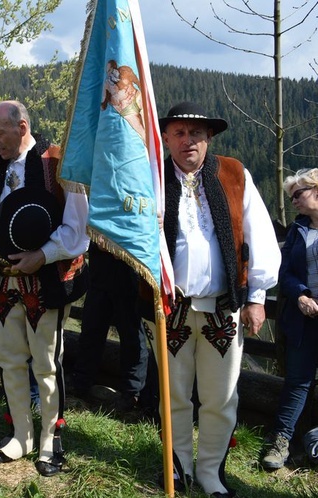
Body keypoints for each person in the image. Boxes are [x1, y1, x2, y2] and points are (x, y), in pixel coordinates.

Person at [143, 101, 280, 496]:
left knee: (220, 398)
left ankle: (210, 473)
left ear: (209, 139)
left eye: (197, 134)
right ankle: (179, 467)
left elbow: (260, 237)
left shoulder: (234, 174)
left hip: (223, 307)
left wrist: (256, 296)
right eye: (180, 133)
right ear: (166, 137)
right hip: (168, 308)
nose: (189, 141)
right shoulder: (149, 178)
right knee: (174, 395)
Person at [0, 100, 90, 477]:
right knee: (10, 361)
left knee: (47, 365)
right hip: (0, 282)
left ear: (22, 126)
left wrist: (44, 255)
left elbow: (77, 228)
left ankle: (51, 440)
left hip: (44, 282)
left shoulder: (58, 165)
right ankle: (22, 435)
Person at [260, 168, 318, 470]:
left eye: (298, 194)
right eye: (291, 197)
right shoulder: (298, 231)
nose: (293, 201)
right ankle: (281, 442)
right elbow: (286, 273)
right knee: (297, 382)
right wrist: (300, 295)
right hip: (304, 320)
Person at [71, 242, 148, 413]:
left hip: (129, 275)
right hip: (100, 274)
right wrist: (99, 243)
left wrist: (120, 245)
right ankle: (80, 386)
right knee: (91, 331)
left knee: (132, 338)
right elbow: (87, 229)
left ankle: (132, 394)